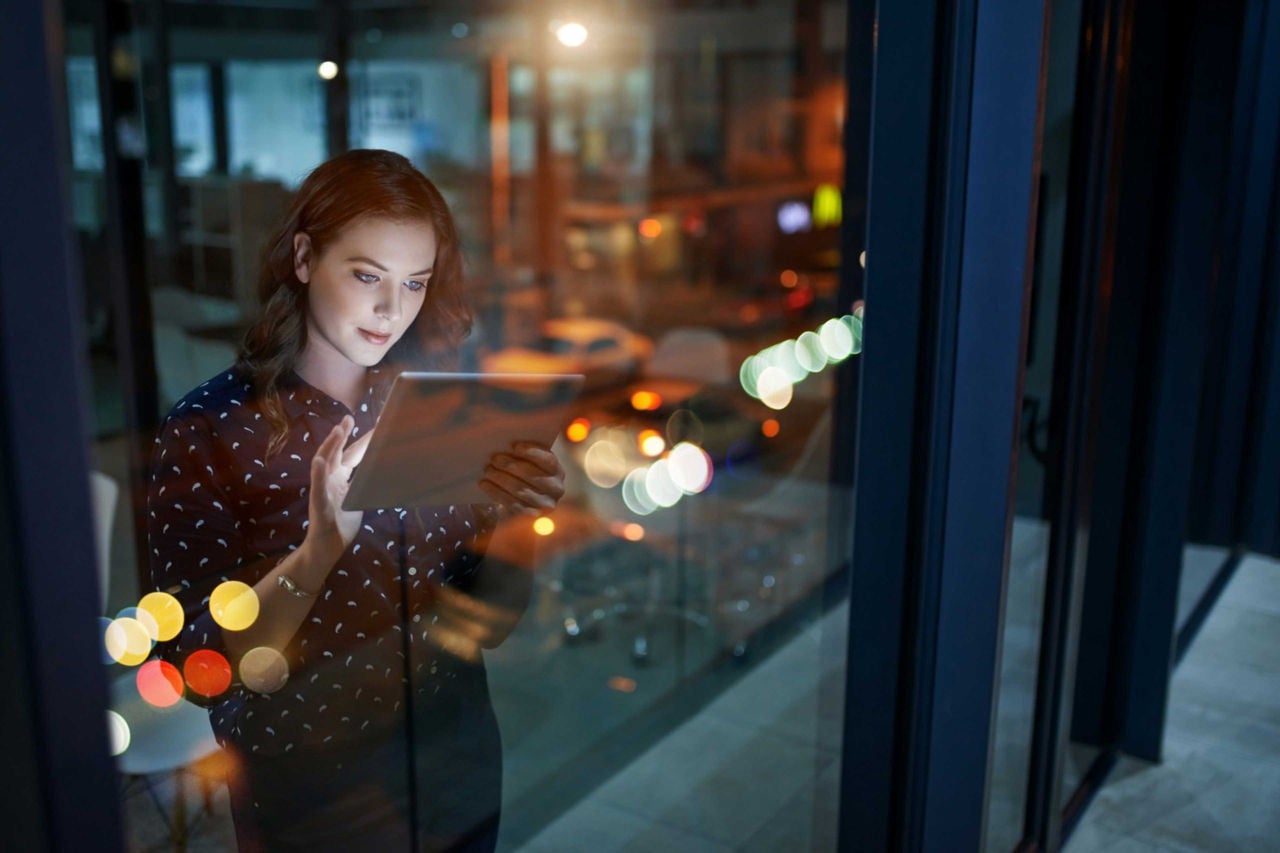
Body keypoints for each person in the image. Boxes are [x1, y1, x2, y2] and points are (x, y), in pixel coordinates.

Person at [146, 149, 564, 852]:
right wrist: (318, 551)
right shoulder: (212, 427)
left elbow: (489, 621)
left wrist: (521, 515)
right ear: (306, 258)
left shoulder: (433, 406)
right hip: (312, 792)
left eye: (414, 283)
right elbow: (198, 666)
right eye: (367, 275)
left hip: (454, 760)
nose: (391, 310)